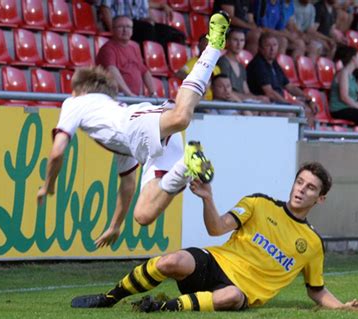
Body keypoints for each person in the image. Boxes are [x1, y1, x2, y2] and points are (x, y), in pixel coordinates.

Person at [71, 161, 358, 313]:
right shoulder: (258, 204)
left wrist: (341, 307)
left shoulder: (312, 243)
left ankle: (162, 307)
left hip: (239, 290)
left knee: (230, 297)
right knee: (172, 261)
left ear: (320, 199)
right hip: (215, 262)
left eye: (310, 188)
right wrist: (207, 197)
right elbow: (216, 228)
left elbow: (316, 289)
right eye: (299, 182)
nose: (301, 190)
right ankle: (109, 298)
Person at [37, 12, 230, 247]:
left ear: (80, 89)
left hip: (139, 123)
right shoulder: (111, 129)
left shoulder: (76, 101)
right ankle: (185, 165)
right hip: (147, 146)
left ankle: (212, 48)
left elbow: (57, 152)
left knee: (181, 117)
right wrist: (115, 226)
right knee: (143, 215)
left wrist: (48, 184)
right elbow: (127, 185)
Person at [246, 33, 318, 124]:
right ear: (260, 48)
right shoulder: (258, 64)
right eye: (268, 45)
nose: (272, 49)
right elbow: (270, 92)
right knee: (294, 113)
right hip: (266, 105)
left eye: (275, 45)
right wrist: (288, 105)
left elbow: (290, 87)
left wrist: (309, 100)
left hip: (277, 104)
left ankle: (304, 137)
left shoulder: (273, 63)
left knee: (307, 110)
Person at [96, 16, 156, 97]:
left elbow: (144, 71)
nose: (125, 30)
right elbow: (112, 72)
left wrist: (153, 93)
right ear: (112, 29)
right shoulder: (107, 49)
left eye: (128, 27)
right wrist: (129, 94)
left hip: (133, 97)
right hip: (116, 97)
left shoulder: (135, 46)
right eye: (120, 27)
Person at [97, 0, 185, 55]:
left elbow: (144, 11)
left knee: (176, 35)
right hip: (121, 23)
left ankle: (159, 59)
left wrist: (149, 19)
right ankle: (145, 58)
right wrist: (113, 30)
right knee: (148, 29)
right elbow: (104, 8)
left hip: (138, 23)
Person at [216, 28, 270, 103]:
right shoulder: (223, 62)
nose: (239, 44)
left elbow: (246, 91)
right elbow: (227, 92)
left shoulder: (241, 66)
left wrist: (257, 97)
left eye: (242, 40)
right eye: (235, 40)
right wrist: (255, 98)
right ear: (227, 42)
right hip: (228, 102)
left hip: (242, 101)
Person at [175, 34, 221, 101]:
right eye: (206, 45)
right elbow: (179, 73)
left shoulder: (216, 68)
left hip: (214, 101)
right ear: (199, 46)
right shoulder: (193, 62)